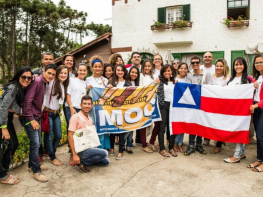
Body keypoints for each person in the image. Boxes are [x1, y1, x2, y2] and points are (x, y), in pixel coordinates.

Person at [22, 64, 57, 182]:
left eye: (53, 74)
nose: (51, 76)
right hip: (30, 117)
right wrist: (32, 120)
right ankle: (36, 171)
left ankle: (32, 164)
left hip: (37, 116)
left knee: (36, 143)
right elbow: (28, 102)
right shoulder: (37, 81)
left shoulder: (43, 82)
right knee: (36, 143)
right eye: (49, 73)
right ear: (43, 70)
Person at [0, 67, 33, 185]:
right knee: (8, 145)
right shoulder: (13, 88)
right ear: (18, 76)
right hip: (3, 119)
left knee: (11, 144)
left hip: (8, 118)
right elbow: (3, 107)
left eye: (29, 77)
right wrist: (3, 127)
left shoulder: (20, 88)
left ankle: (3, 172)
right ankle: (3, 176)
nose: (26, 79)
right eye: (24, 77)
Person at [68, 95, 109, 173]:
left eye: (89, 104)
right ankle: (81, 162)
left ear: (91, 105)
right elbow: (70, 136)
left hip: (87, 146)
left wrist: (94, 146)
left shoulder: (90, 119)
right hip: (80, 149)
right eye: (84, 104)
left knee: (106, 162)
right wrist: (74, 154)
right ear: (81, 105)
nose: (87, 106)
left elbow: (89, 135)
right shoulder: (75, 117)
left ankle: (84, 160)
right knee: (105, 153)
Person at [224, 57, 253, 163]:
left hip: (243, 111)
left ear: (244, 66)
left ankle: (236, 155)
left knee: (240, 131)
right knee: (237, 130)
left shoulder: (249, 79)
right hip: (232, 110)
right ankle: (241, 152)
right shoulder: (230, 79)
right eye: (236, 64)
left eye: (240, 64)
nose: (238, 66)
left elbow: (253, 93)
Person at [184, 55, 213, 156]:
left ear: (200, 63)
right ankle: (191, 144)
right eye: (193, 63)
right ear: (191, 65)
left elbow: (211, 88)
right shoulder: (189, 75)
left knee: (201, 123)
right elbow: (188, 89)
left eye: (197, 62)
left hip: (204, 102)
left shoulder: (207, 74)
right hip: (193, 103)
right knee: (193, 123)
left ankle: (199, 144)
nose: (195, 64)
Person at [44, 65, 69, 166]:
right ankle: (52, 157)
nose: (63, 75)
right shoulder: (50, 83)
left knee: (58, 135)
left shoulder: (63, 85)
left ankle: (51, 152)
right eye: (61, 73)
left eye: (65, 73)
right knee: (49, 136)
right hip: (48, 113)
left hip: (57, 113)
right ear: (57, 74)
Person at [65, 63, 88, 165]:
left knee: (80, 133)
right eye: (80, 70)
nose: (82, 72)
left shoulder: (85, 83)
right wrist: (71, 107)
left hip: (81, 108)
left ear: (86, 72)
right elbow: (68, 95)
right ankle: (72, 154)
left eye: (84, 70)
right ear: (77, 70)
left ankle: (79, 154)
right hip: (71, 108)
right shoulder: (72, 80)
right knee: (72, 132)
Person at [107, 64, 131, 159]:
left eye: (121, 70)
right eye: (118, 70)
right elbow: (106, 95)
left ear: (124, 71)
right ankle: (112, 148)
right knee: (112, 130)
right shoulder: (111, 81)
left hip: (123, 110)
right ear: (115, 71)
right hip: (112, 109)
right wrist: (107, 87)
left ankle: (120, 151)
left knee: (121, 130)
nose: (120, 72)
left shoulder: (128, 83)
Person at [86, 56, 110, 150]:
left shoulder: (105, 80)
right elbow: (85, 94)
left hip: (102, 108)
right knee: (93, 126)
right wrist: (87, 89)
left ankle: (103, 147)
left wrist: (106, 85)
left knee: (103, 127)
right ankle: (94, 147)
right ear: (92, 67)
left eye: (99, 66)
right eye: (95, 66)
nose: (97, 68)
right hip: (92, 108)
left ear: (102, 68)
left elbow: (107, 94)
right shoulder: (88, 79)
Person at [210, 59, 230, 154]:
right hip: (212, 105)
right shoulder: (211, 77)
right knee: (213, 124)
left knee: (220, 125)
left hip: (222, 106)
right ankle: (220, 140)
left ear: (224, 67)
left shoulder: (227, 79)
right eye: (217, 66)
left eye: (221, 66)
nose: (218, 68)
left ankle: (218, 145)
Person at [139, 60, 160, 153]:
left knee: (157, 122)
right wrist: (153, 83)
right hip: (144, 102)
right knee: (143, 123)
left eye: (149, 66)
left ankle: (151, 142)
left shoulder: (154, 76)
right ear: (143, 67)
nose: (147, 68)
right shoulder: (141, 76)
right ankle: (144, 144)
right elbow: (141, 89)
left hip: (154, 102)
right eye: (145, 66)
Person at [158, 64, 177, 157]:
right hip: (163, 105)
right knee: (162, 128)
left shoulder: (175, 82)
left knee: (171, 128)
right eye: (165, 71)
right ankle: (161, 149)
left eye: (169, 70)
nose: (167, 72)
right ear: (162, 72)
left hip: (173, 106)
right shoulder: (159, 81)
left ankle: (171, 148)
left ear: (172, 72)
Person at [173, 62, 192, 153]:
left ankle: (180, 143)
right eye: (181, 68)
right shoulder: (174, 79)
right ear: (178, 69)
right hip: (176, 105)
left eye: (185, 68)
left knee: (183, 124)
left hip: (186, 105)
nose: (183, 70)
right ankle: (175, 143)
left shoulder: (188, 80)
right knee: (178, 124)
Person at [249, 54, 263, 172]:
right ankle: (259, 159)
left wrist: (257, 105)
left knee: (261, 136)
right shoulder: (256, 78)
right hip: (257, 108)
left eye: (261, 62)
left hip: (260, 107)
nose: (258, 64)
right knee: (258, 136)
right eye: (256, 62)